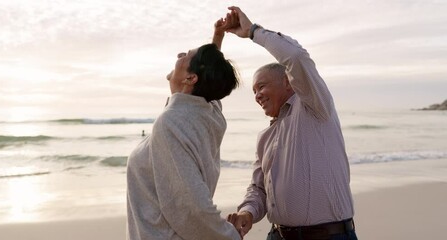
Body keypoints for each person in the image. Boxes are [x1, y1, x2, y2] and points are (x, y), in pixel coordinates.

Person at [224, 6, 358, 240]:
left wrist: (253, 31)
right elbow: (258, 190)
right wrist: (247, 213)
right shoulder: (265, 138)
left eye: (262, 86)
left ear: (288, 82)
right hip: (277, 235)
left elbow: (296, 57)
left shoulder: (313, 106)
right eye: (254, 91)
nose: (257, 95)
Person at [126, 17, 242, 240]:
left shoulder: (171, 123)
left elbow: (193, 207)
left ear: (191, 78)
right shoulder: (209, 113)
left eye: (186, 56)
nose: (180, 55)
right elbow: (210, 83)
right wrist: (217, 37)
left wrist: (229, 236)